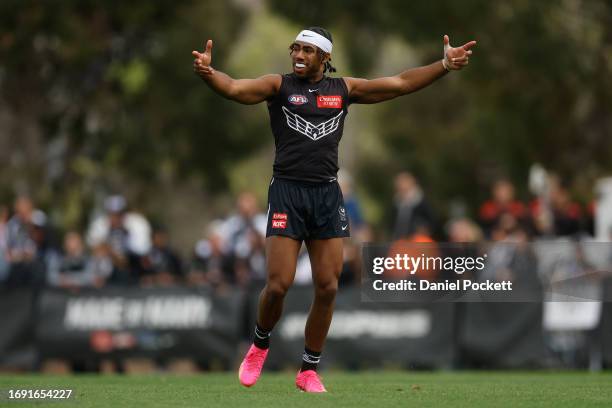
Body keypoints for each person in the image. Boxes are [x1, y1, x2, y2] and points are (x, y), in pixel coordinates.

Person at [192, 27, 475, 392]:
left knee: (327, 287)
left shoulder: (343, 90)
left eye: (308, 50)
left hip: (326, 195)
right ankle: (260, 343)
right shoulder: (278, 87)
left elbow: (401, 83)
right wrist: (209, 73)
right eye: (296, 48)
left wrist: (444, 65)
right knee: (278, 285)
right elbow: (234, 89)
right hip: (287, 194)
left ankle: (308, 369)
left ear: (324, 59)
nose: (298, 54)